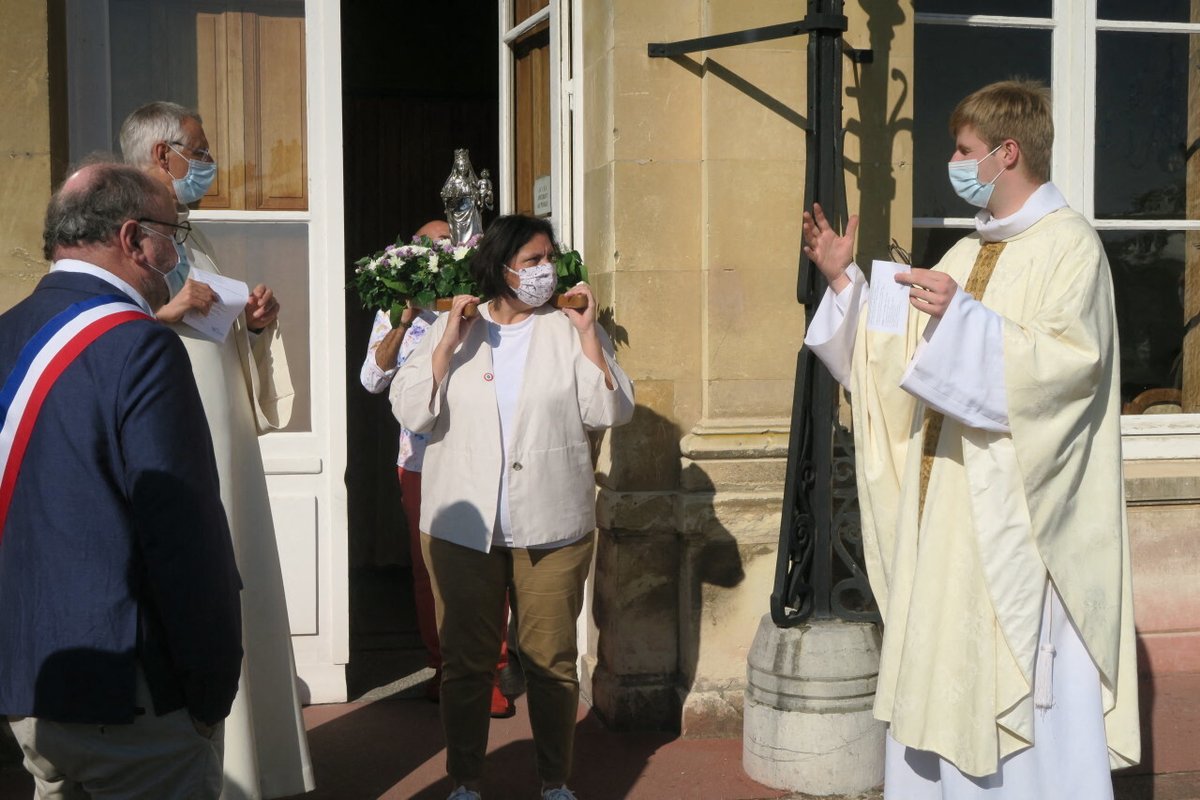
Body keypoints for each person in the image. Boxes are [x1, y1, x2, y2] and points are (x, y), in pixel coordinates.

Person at [801, 80, 1139, 797]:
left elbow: (1070, 368)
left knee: (1014, 700)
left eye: (964, 150)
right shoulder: (961, 254)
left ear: (1008, 152)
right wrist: (845, 286)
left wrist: (966, 324)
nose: (953, 162)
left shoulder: (1071, 248)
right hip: (946, 518)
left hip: (1018, 524)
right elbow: (893, 365)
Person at [0, 162, 242, 798]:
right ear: (135, 239)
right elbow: (184, 535)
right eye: (173, 234)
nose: (175, 252)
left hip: (30, 682)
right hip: (133, 691)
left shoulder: (5, 333)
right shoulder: (141, 347)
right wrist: (211, 688)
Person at [392, 214, 634, 800]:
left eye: (548, 258)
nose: (544, 271)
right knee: (467, 664)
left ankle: (554, 782)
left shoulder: (567, 327)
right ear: (501, 268)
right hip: (462, 526)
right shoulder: (459, 324)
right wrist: (446, 341)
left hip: (551, 524)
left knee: (550, 662)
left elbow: (612, 411)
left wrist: (587, 336)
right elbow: (409, 408)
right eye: (532, 261)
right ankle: (466, 782)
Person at [120, 101, 312, 799]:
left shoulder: (189, 236)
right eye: (198, 152)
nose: (209, 166)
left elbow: (222, 336)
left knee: (239, 596)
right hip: (170, 451)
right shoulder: (118, 235)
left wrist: (256, 325)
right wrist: (161, 314)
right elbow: (93, 331)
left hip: (225, 449)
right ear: (162, 156)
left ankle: (248, 776)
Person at [359, 219, 514, 717]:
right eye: (431, 246)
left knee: (488, 562)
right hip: (419, 461)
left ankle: (489, 672)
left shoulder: (483, 306)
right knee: (430, 571)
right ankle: (443, 668)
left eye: (450, 243)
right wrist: (405, 319)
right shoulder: (396, 311)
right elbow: (371, 380)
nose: (442, 252)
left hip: (478, 454)